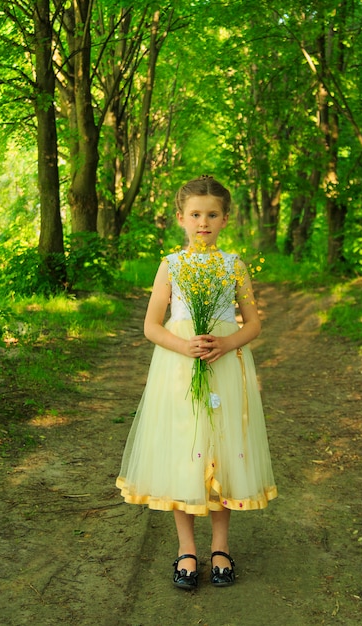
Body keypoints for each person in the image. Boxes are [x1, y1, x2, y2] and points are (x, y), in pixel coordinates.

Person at [116, 175, 277, 589]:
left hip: (225, 364)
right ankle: (186, 549)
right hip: (179, 367)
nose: (203, 222)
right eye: (195, 215)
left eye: (212, 214)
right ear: (181, 219)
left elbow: (254, 322)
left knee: (223, 451)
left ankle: (220, 547)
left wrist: (226, 342)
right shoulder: (171, 264)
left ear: (225, 219)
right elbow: (152, 326)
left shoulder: (233, 264)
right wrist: (183, 345)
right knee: (185, 452)